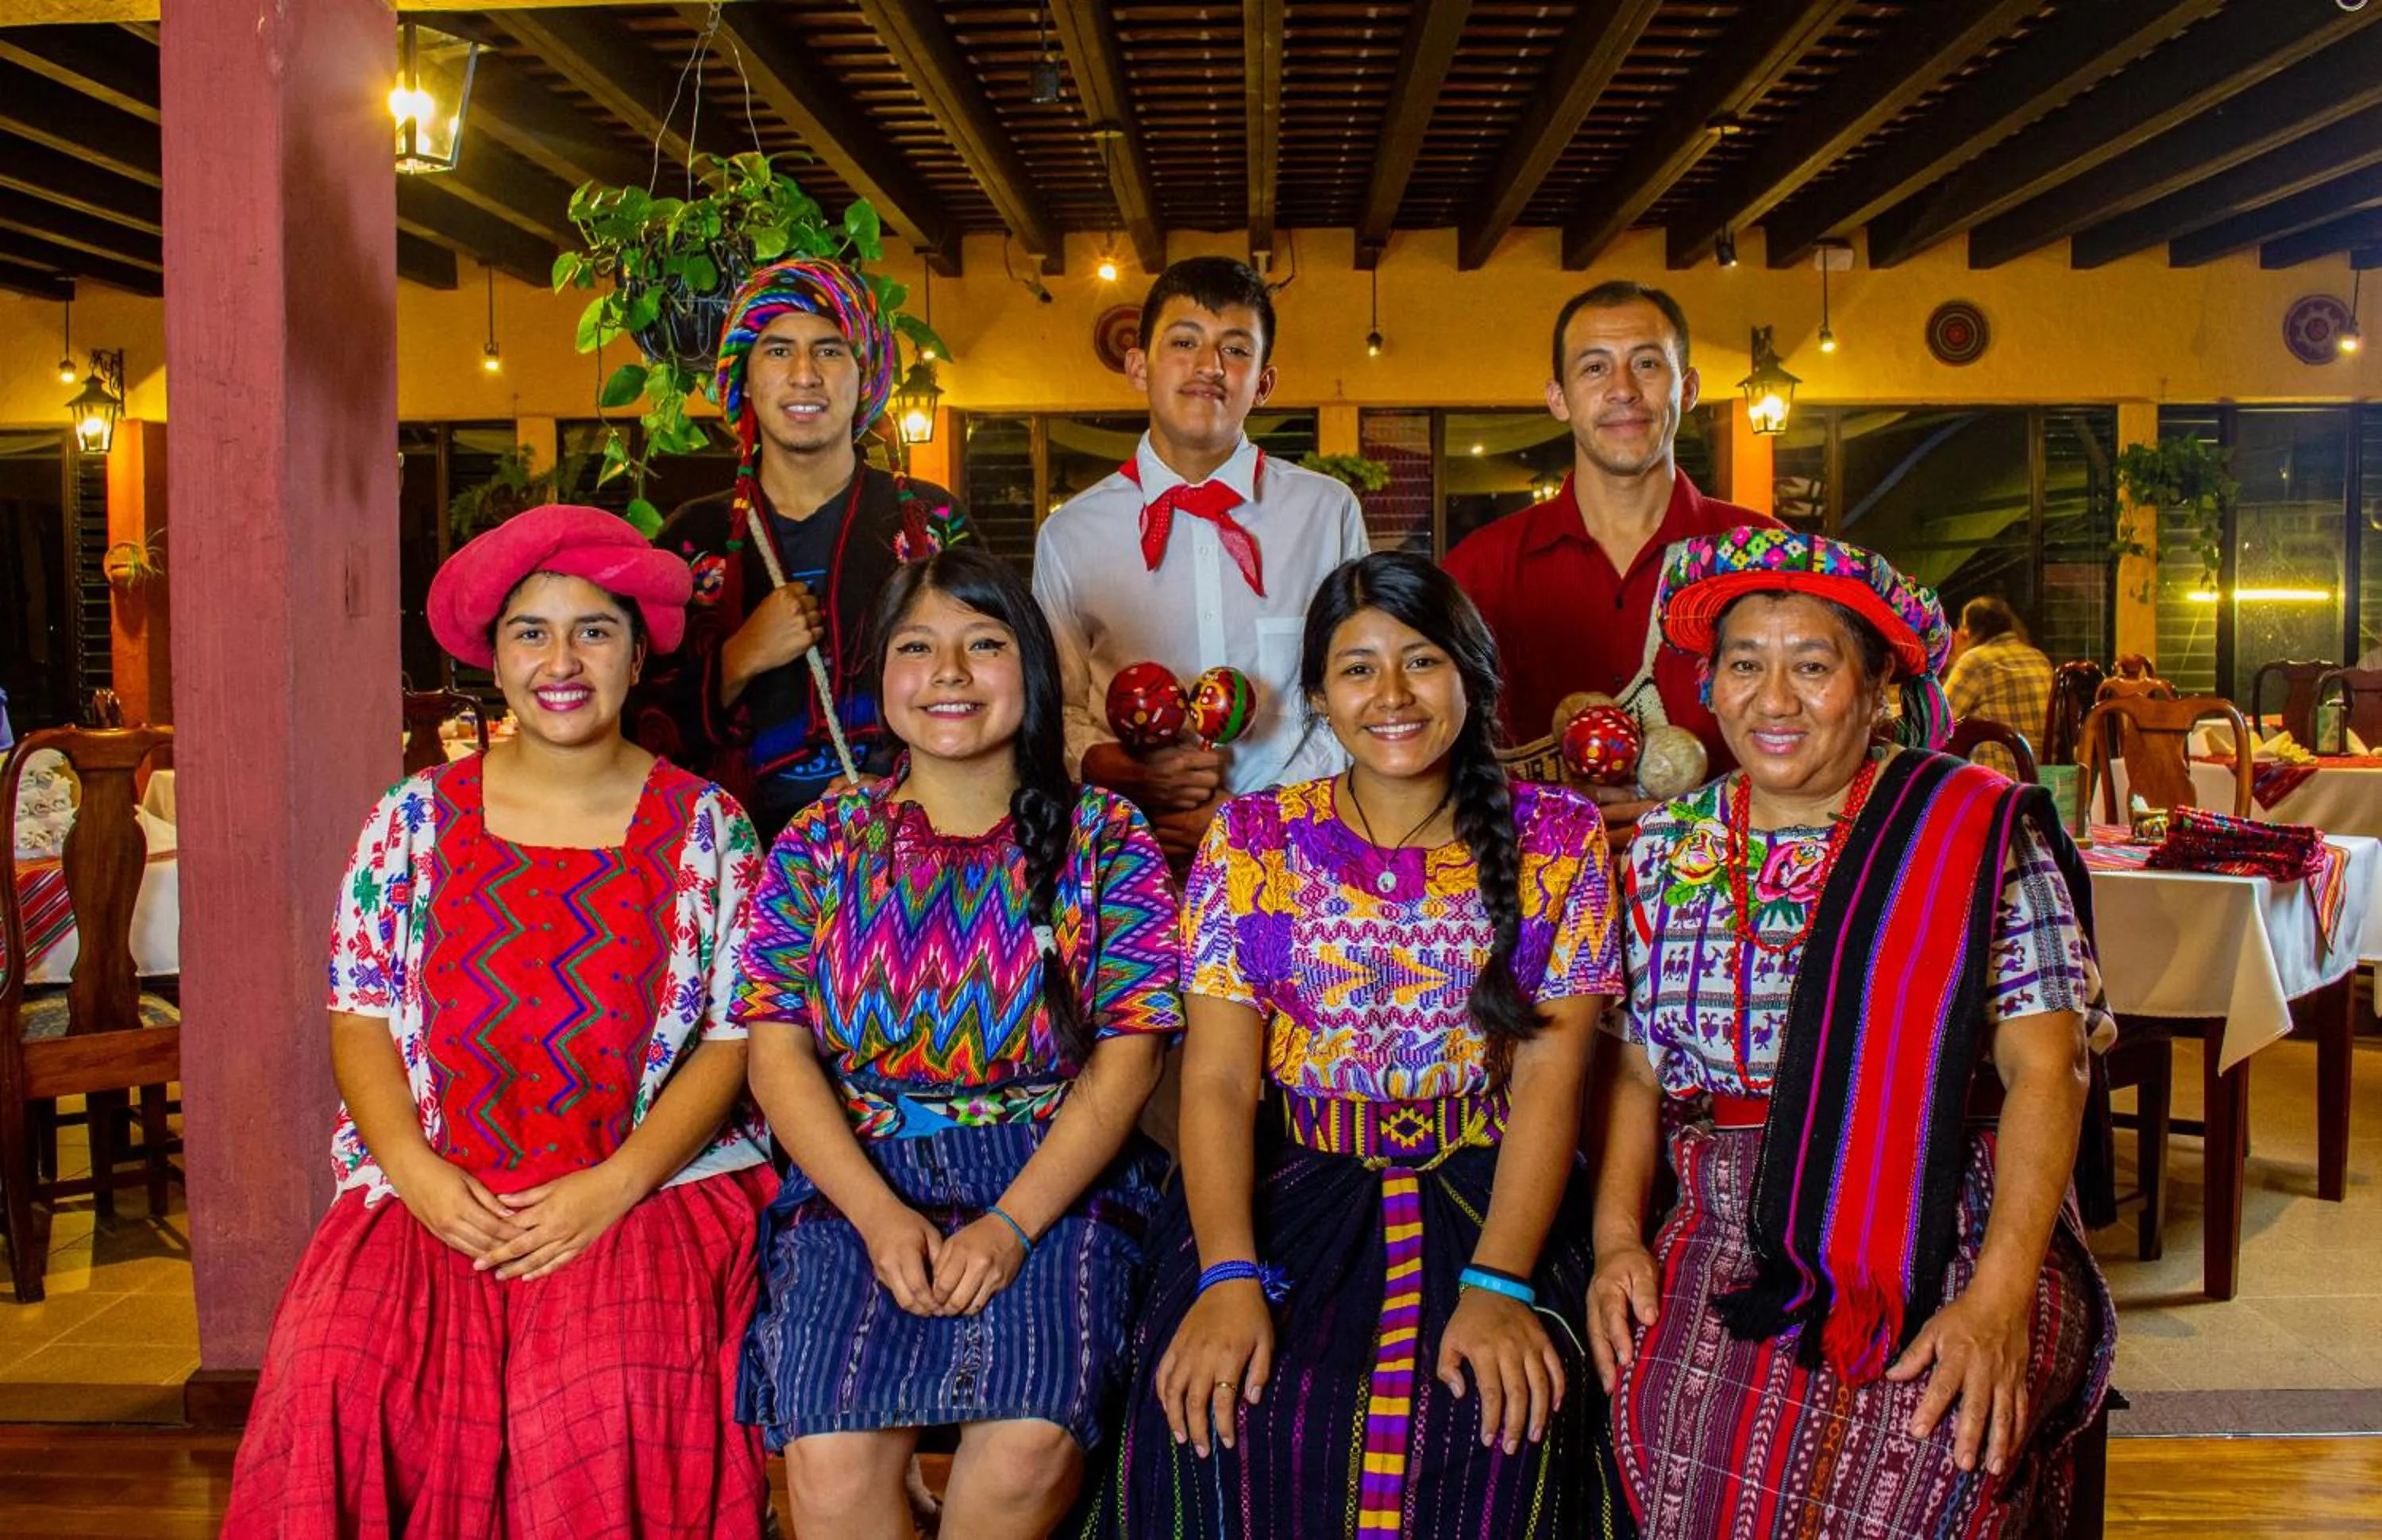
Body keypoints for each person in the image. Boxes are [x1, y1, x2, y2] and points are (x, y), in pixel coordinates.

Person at [225, 505, 775, 1538]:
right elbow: (362, 1019)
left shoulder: (709, 828)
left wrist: (616, 1185)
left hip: (647, 1180)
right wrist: (421, 1179)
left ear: (638, 651)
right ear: (494, 654)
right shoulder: (411, 822)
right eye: (533, 632)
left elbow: (733, 1037)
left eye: (593, 631)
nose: (561, 660)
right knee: (341, 1366)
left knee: (606, 1388)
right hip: (437, 1174)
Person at [1079, 551, 1633, 1538]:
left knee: (1500, 1416)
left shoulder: (1559, 835)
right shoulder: (1254, 838)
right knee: (1226, 1407)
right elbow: (1212, 1079)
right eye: (1357, 667)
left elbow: (1553, 1073)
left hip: (1495, 1186)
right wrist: (1227, 1274)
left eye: (1421, 661)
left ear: (1472, 673)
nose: (1391, 695)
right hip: (1285, 1185)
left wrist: (1502, 1282)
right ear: (1321, 697)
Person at [1590, 526, 2118, 1537]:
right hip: (1727, 1214)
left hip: (1948, 1212)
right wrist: (1618, 1237)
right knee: (1680, 1444)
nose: (1773, 699)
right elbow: (1635, 1068)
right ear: (1710, 685)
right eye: (1745, 664)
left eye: (1813, 665)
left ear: (1878, 688)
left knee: (1926, 1455)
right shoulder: (1667, 840)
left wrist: (1998, 1301)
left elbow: (2052, 1065)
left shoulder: (1969, 830)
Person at [733, 545, 1181, 1539]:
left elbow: (1130, 1055)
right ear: (881, 676)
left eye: (983, 644)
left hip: (1055, 1174)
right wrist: (879, 1216)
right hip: (857, 1174)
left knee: (1025, 1448)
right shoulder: (824, 838)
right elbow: (776, 1049)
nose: (948, 673)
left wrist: (1013, 1223)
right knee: (832, 1463)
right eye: (917, 646)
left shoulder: (1104, 837)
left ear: (1030, 664)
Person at [1033, 256, 1370, 863]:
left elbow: (1354, 693)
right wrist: (1123, 771)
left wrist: (1259, 815)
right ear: (1139, 365)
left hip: (1297, 853)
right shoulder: (1071, 534)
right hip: (1128, 856)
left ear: (1264, 384)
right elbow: (1056, 707)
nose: (1210, 367)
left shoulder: (1328, 512)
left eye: (1236, 350)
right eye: (1185, 341)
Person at [636, 257, 969, 842]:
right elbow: (639, 723)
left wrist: (908, 788)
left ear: (864, 379)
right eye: (778, 350)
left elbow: (1001, 684)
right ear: (745, 379)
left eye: (830, 350)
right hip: (735, 862)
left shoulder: (931, 523)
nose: (805, 374)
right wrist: (739, 658)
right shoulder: (694, 539)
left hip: (913, 850)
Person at [1443, 281, 1783, 814]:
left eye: (1647, 364)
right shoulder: (1479, 569)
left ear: (1687, 388)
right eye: (1595, 368)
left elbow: (1814, 740)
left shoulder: (1765, 556)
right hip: (1532, 880)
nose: (1623, 389)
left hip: (1731, 877)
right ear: (1558, 398)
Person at [1944, 595, 2056, 753]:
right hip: (2042, 773)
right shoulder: (2037, 656)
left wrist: (1956, 654)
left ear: (1968, 631)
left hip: (1999, 771)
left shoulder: (1976, 660)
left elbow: (1939, 720)